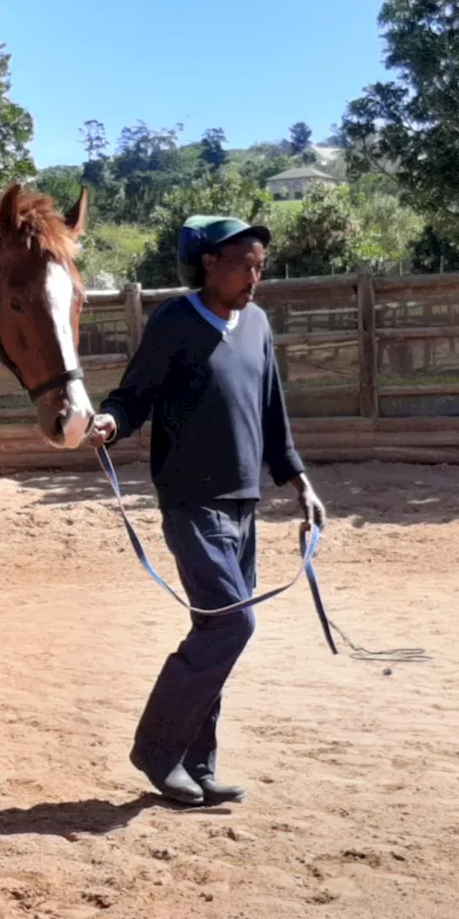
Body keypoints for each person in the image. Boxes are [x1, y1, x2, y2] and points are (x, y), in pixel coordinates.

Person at [86, 214, 326, 806]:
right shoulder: (174, 322)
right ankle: (158, 749)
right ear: (210, 263)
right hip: (191, 501)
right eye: (245, 265)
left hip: (243, 503)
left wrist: (299, 481)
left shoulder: (258, 324)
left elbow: (273, 411)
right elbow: (134, 394)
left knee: (215, 630)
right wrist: (112, 422)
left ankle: (198, 762)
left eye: (260, 268)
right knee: (231, 623)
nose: (255, 278)